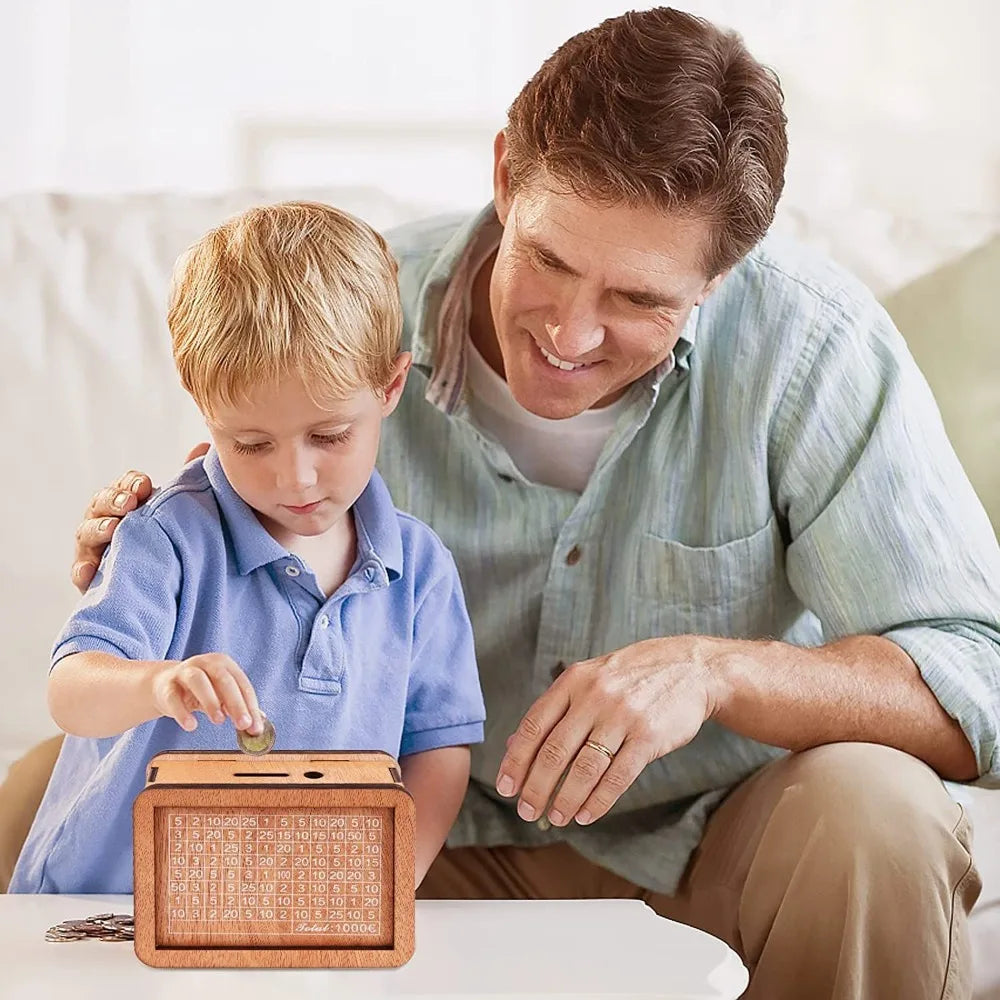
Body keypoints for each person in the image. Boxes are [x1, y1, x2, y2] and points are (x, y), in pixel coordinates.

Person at [10, 6, 1000, 998]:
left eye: (639, 301)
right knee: (48, 793)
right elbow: (232, 497)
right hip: (405, 830)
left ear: (723, 272)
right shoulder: (353, 313)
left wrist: (716, 672)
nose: (570, 333)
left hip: (711, 838)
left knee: (876, 810)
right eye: (552, 261)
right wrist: (153, 526)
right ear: (502, 177)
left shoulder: (811, 351)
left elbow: (977, 675)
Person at [7, 201, 486, 894]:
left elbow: (437, 747)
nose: (294, 478)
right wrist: (155, 683)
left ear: (389, 388)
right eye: (251, 443)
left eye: (329, 437)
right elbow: (71, 690)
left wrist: (388, 884)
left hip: (293, 912)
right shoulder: (167, 535)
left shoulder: (421, 570)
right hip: (111, 908)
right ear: (205, 410)